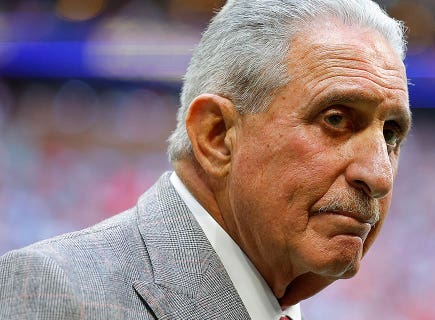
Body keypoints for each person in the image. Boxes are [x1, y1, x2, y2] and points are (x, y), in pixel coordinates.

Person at [0, 0, 411, 318]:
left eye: (391, 134)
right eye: (336, 119)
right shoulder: (58, 293)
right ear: (216, 136)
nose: (379, 175)